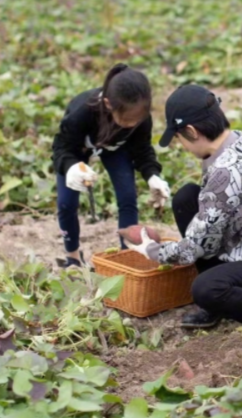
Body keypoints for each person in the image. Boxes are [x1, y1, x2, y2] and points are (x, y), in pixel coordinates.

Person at [126, 84, 242, 336]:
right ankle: (221, 304)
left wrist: (152, 251)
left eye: (178, 138)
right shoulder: (236, 143)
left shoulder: (225, 170)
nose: (181, 145)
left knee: (205, 288)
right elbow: (211, 225)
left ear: (191, 131)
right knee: (187, 198)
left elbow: (194, 248)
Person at [51, 63, 171, 268]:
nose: (132, 124)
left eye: (137, 120)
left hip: (115, 149)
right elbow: (61, 147)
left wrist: (153, 175)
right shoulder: (82, 111)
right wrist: (70, 167)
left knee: (127, 197)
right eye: (126, 120)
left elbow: (142, 150)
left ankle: (128, 256)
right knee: (66, 203)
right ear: (108, 104)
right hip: (76, 150)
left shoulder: (141, 119)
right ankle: (72, 256)